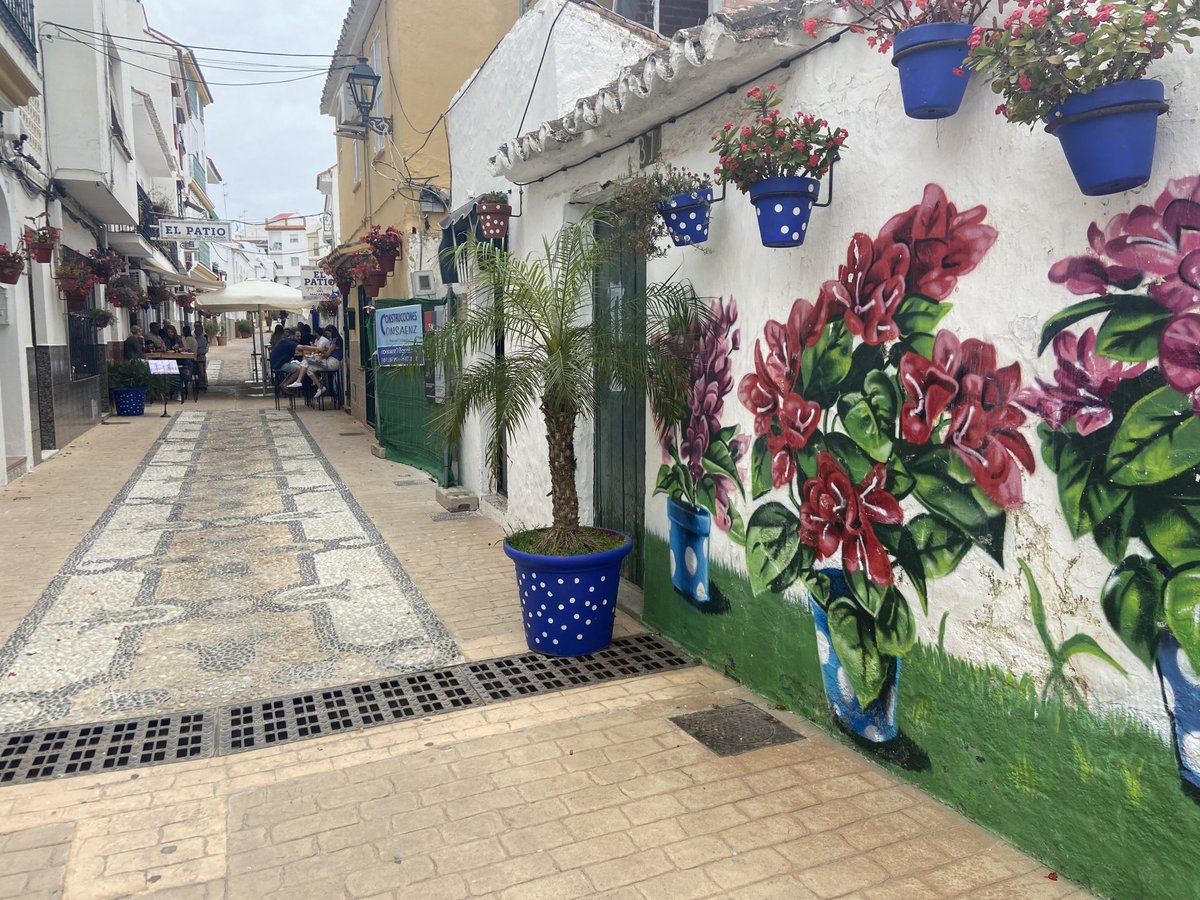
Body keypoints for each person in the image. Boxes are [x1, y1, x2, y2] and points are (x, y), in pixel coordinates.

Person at [288, 325, 343, 399]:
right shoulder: (333, 340)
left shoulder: (335, 340)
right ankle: (319, 386)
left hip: (333, 362)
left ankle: (299, 381)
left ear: (331, 332)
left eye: (327, 333)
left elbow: (327, 354)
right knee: (308, 368)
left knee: (306, 361)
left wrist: (320, 355)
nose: (327, 335)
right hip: (331, 361)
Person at [194, 324, 209, 390]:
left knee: (202, 371)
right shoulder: (196, 338)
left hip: (201, 356)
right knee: (199, 371)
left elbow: (197, 346)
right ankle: (200, 384)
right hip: (197, 356)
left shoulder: (202, 338)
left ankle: (204, 384)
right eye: (195, 330)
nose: (196, 331)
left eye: (198, 330)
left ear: (201, 331)